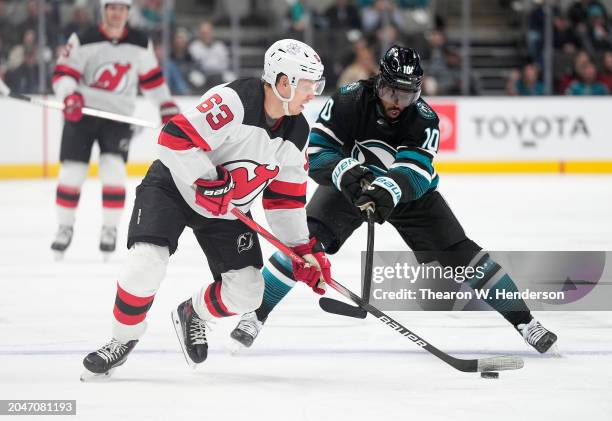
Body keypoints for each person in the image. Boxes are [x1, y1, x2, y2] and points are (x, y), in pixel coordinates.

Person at [230, 45, 558, 355]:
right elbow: (316, 154)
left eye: (407, 94)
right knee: (302, 246)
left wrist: (385, 190)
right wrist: (349, 172)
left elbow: (414, 172)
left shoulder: (424, 119)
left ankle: (526, 322)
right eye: (391, 93)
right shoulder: (349, 99)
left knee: (465, 257)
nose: (398, 103)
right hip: (350, 185)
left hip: (410, 196)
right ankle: (255, 315)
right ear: (378, 84)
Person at [81, 39, 329, 378]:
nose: (313, 93)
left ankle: (193, 313)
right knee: (146, 263)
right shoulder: (234, 102)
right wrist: (206, 178)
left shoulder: (297, 133)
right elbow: (173, 139)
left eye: (317, 85)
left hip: (227, 209)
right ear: (283, 81)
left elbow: (284, 200)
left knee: (248, 292)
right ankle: (121, 340)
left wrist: (301, 249)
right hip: (174, 187)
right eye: (307, 84)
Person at [50, 0, 179, 259]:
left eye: (121, 8)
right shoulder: (83, 38)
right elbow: (63, 73)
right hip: (83, 114)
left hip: (118, 118)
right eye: (111, 7)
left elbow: (152, 78)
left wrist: (165, 104)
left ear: (128, 12)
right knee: (71, 175)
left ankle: (109, 229)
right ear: (104, 10)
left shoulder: (141, 42)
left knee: (114, 173)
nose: (116, 12)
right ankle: (65, 227)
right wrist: (69, 95)